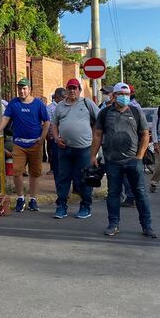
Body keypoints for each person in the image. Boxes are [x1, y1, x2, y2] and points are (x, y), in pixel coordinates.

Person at [90, 82, 155, 238]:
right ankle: (113, 224)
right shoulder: (105, 113)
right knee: (113, 193)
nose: (124, 97)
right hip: (112, 161)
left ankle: (147, 226)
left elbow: (145, 134)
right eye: (121, 94)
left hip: (133, 160)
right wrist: (93, 155)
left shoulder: (136, 112)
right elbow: (98, 135)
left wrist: (139, 156)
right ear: (114, 95)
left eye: (127, 95)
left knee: (140, 193)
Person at [0, 78, 50, 212]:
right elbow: (5, 118)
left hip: (35, 143)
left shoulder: (38, 104)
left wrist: (42, 138)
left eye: (24, 88)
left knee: (35, 173)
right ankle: (21, 198)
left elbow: (47, 121)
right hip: (19, 144)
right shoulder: (13, 103)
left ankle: (33, 199)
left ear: (29, 89)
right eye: (19, 88)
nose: (21, 91)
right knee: (17, 172)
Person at [50, 78, 98, 219]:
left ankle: (85, 206)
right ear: (66, 90)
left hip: (84, 149)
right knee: (63, 178)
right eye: (69, 88)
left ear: (79, 90)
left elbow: (100, 119)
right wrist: (56, 138)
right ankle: (61, 206)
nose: (72, 91)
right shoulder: (60, 106)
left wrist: (95, 136)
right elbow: (54, 124)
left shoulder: (87, 103)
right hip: (65, 148)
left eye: (74, 88)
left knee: (84, 179)